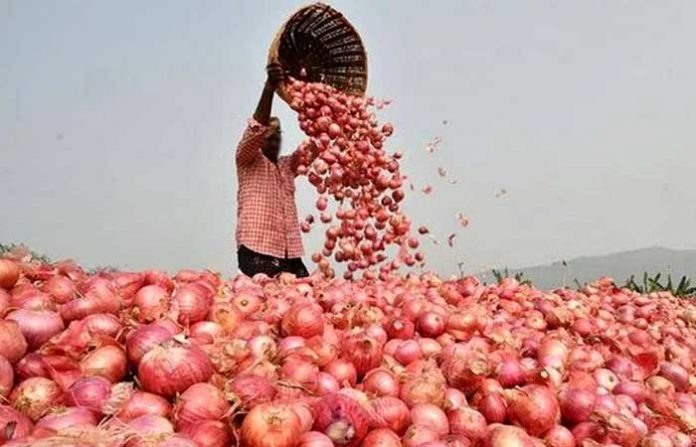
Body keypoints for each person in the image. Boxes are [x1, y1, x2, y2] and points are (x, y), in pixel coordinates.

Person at [235, 63, 313, 278]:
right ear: (260, 141)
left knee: (305, 299)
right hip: (257, 249)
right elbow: (255, 128)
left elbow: (314, 148)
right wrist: (269, 88)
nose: (276, 141)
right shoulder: (247, 160)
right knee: (266, 302)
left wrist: (327, 115)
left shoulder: (287, 166)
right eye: (270, 137)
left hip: (290, 253)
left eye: (278, 137)